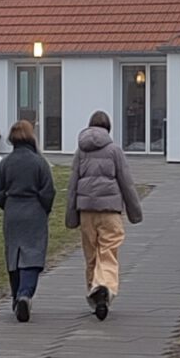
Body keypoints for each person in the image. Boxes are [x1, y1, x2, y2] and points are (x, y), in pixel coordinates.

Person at [64, 110, 143, 320]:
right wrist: (135, 212)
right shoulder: (114, 151)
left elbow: (72, 185)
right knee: (108, 251)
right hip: (110, 210)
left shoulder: (80, 152)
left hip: (86, 211)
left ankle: (94, 292)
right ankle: (104, 287)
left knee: (91, 255)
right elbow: (126, 182)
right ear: (108, 129)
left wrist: (71, 215)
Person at [0, 120, 56, 323]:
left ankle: (16, 296)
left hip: (13, 212)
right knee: (33, 255)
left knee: (14, 256)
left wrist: (8, 204)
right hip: (34, 212)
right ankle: (25, 294)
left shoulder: (6, 163)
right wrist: (43, 208)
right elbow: (48, 190)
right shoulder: (39, 162)